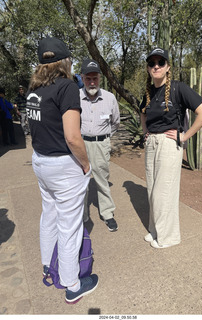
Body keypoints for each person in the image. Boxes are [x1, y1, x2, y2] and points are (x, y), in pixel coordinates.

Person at [26, 36, 98, 304]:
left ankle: (48, 264)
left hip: (41, 161)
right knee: (70, 225)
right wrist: (86, 163)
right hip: (63, 165)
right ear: (65, 61)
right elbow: (72, 137)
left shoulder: (35, 90)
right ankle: (72, 283)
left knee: (50, 214)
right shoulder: (67, 87)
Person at [140, 47, 202, 249]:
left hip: (169, 145)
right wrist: (145, 131)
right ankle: (155, 230)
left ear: (167, 67)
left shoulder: (179, 88)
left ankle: (168, 237)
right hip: (152, 143)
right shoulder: (148, 92)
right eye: (152, 63)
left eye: (160, 63)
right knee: (153, 190)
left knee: (164, 193)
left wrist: (184, 136)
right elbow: (142, 113)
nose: (156, 66)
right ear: (148, 68)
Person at [80, 58, 120, 231]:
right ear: (82, 78)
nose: (92, 82)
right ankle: (82, 216)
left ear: (100, 78)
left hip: (100, 144)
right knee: (81, 181)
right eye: (88, 78)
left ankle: (107, 213)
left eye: (95, 78)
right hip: (80, 144)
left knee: (102, 179)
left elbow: (115, 122)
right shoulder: (75, 97)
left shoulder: (109, 98)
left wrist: (104, 138)